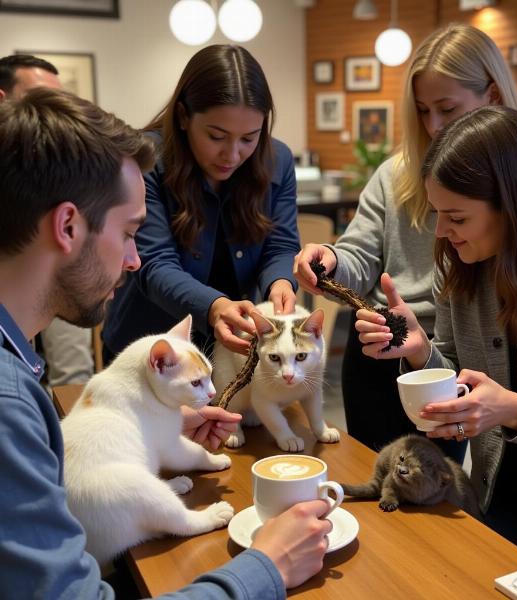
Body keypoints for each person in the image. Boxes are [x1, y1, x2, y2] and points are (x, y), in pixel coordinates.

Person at [0, 87, 331, 599]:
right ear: (68, 226)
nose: (134, 260)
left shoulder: (17, 377)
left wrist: (151, 432)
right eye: (130, 233)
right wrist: (267, 567)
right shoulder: (10, 403)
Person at [293, 23, 517, 458]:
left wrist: (514, 408)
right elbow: (360, 256)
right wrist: (333, 263)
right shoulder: (452, 262)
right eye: (422, 110)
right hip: (424, 352)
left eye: (447, 108)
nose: (434, 126)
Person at [355, 105, 517, 590]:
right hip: (496, 496)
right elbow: (464, 387)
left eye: (456, 216)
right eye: (437, 214)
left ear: (516, 205)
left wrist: (516, 411)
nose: (441, 232)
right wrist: (422, 352)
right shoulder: (462, 267)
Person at [102, 44, 300, 361]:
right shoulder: (145, 159)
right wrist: (215, 307)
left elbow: (281, 246)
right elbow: (153, 263)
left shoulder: (277, 160)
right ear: (183, 116)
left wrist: (281, 283)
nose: (232, 154)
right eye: (217, 136)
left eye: (249, 138)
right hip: (150, 347)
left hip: (234, 346)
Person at [0, 53, 95, 389]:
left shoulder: (64, 161)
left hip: (60, 268)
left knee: (74, 374)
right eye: (41, 101)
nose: (54, 114)